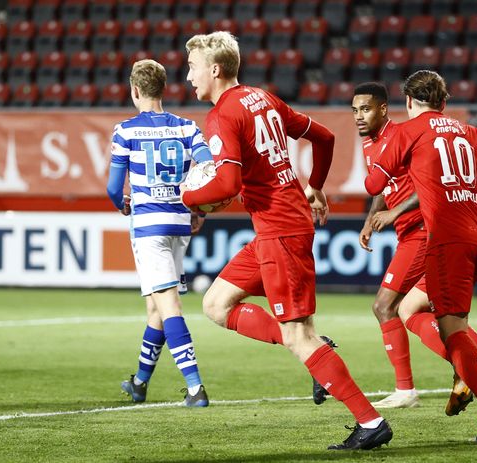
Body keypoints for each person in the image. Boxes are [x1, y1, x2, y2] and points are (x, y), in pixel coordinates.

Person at [180, 31, 392, 451]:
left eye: (192, 68)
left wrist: (188, 198)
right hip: (277, 228)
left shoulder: (223, 115)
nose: (189, 77)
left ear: (215, 69)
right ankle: (319, 350)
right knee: (216, 304)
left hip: (280, 231)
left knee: (299, 335)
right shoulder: (263, 98)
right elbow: (325, 138)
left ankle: (370, 422)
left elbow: (227, 181)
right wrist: (315, 186)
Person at [364, 70, 477, 442]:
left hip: (447, 240)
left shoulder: (407, 131)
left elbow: (374, 184)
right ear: (444, 102)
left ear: (407, 102)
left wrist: (387, 159)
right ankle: (474, 380)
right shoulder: (469, 131)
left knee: (451, 332)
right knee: (422, 312)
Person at [106, 59, 211, 407]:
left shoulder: (126, 131)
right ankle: (139, 383)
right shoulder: (187, 128)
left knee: (168, 305)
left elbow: (112, 188)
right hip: (180, 223)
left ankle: (195, 388)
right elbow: (208, 167)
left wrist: (122, 203)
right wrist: (198, 208)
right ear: (164, 90)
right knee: (156, 307)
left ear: (135, 91)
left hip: (148, 227)